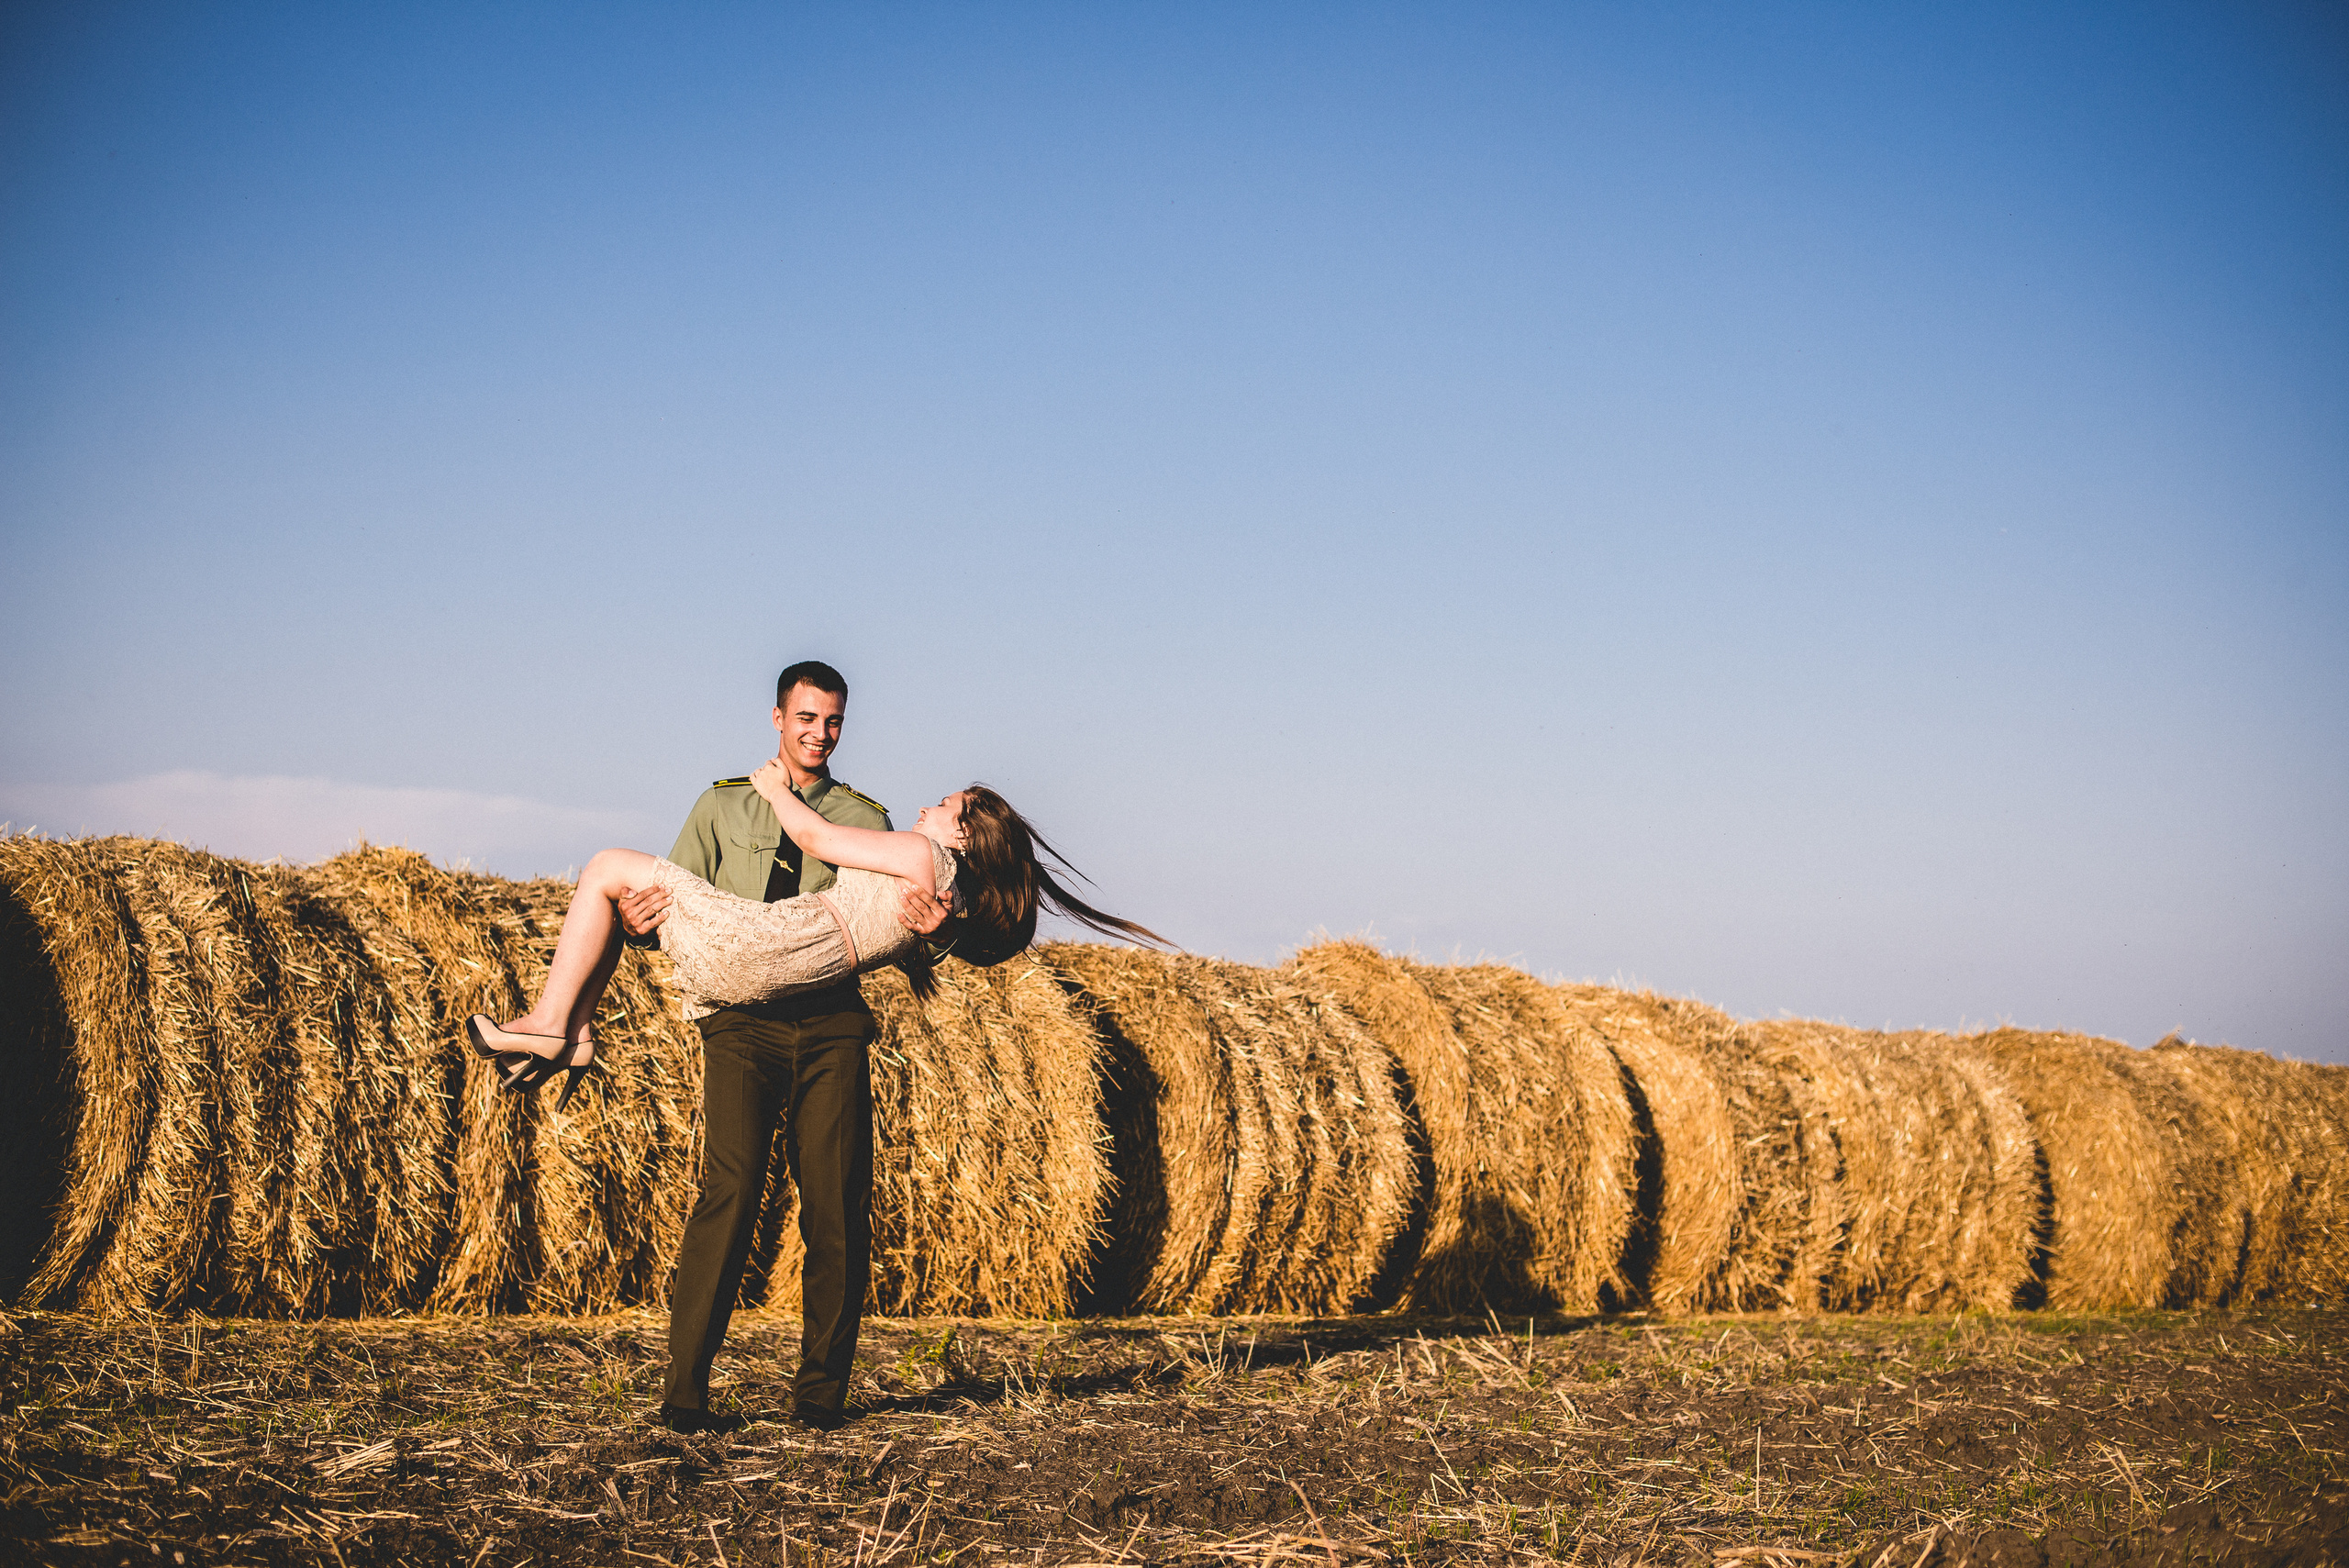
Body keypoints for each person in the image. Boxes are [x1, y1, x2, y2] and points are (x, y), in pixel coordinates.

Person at [468, 672, 1156, 1436]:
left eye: (832, 721)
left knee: (836, 1210)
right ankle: (685, 1395)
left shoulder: (870, 815)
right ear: (777, 718)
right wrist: (635, 918)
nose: (819, 733)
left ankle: (820, 1400)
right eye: (806, 717)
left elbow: (906, 938)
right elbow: (659, 910)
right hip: (741, 1021)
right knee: (726, 1196)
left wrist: (941, 934)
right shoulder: (719, 803)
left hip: (831, 1026)